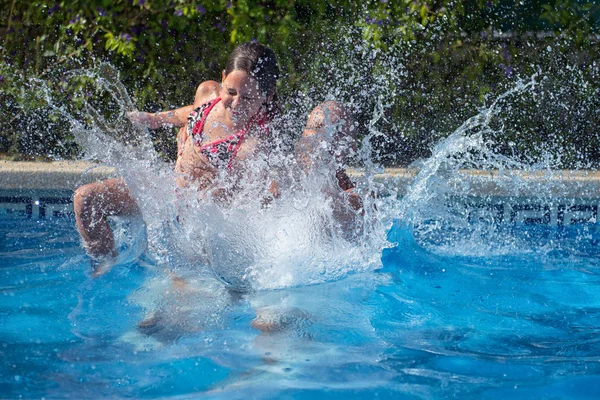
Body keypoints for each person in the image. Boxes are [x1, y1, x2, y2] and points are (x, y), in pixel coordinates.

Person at [73, 41, 363, 277]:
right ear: (224, 80)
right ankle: (104, 266)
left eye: (248, 98)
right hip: (169, 191)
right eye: (231, 91)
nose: (236, 103)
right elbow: (191, 112)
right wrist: (155, 119)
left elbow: (249, 205)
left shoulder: (256, 144)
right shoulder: (209, 96)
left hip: (194, 216)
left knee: (180, 284)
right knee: (86, 199)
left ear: (267, 96)